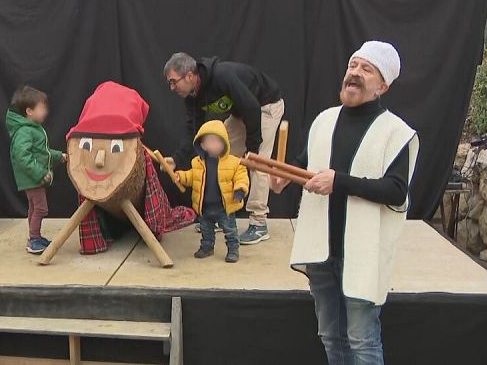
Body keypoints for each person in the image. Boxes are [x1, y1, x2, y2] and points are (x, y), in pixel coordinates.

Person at [270, 41, 419, 365]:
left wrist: (338, 181)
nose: (354, 73)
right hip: (322, 251)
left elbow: (396, 191)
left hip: (362, 253)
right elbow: (307, 167)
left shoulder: (398, 133)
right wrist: (284, 179)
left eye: (366, 69)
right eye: (353, 65)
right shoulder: (324, 120)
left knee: (361, 341)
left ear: (383, 85)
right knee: (330, 337)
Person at [164, 52, 284, 246]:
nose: (171, 87)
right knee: (216, 152)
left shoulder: (221, 76)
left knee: (258, 162)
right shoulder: (192, 96)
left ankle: (259, 223)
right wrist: (177, 159)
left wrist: (251, 150)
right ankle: (220, 214)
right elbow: (193, 131)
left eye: (173, 81)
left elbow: (252, 107)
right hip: (242, 113)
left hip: (265, 106)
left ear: (189, 75)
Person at [175, 120, 249, 263]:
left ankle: (233, 249)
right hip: (205, 207)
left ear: (225, 143)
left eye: (217, 141)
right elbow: (192, 177)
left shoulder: (234, 162)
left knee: (230, 230)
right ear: (202, 145)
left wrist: (240, 189)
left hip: (224, 206)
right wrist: (181, 176)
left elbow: (241, 177)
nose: (214, 145)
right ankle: (207, 247)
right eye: (210, 141)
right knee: (206, 230)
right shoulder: (197, 163)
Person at [6, 85, 67, 255]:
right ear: (29, 111)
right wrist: (41, 173)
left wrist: (59, 156)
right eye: (42, 108)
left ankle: (35, 237)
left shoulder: (32, 128)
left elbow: (42, 153)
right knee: (40, 208)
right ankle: (34, 240)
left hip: (31, 178)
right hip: (31, 179)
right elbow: (22, 157)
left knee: (34, 208)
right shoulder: (25, 131)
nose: (46, 111)